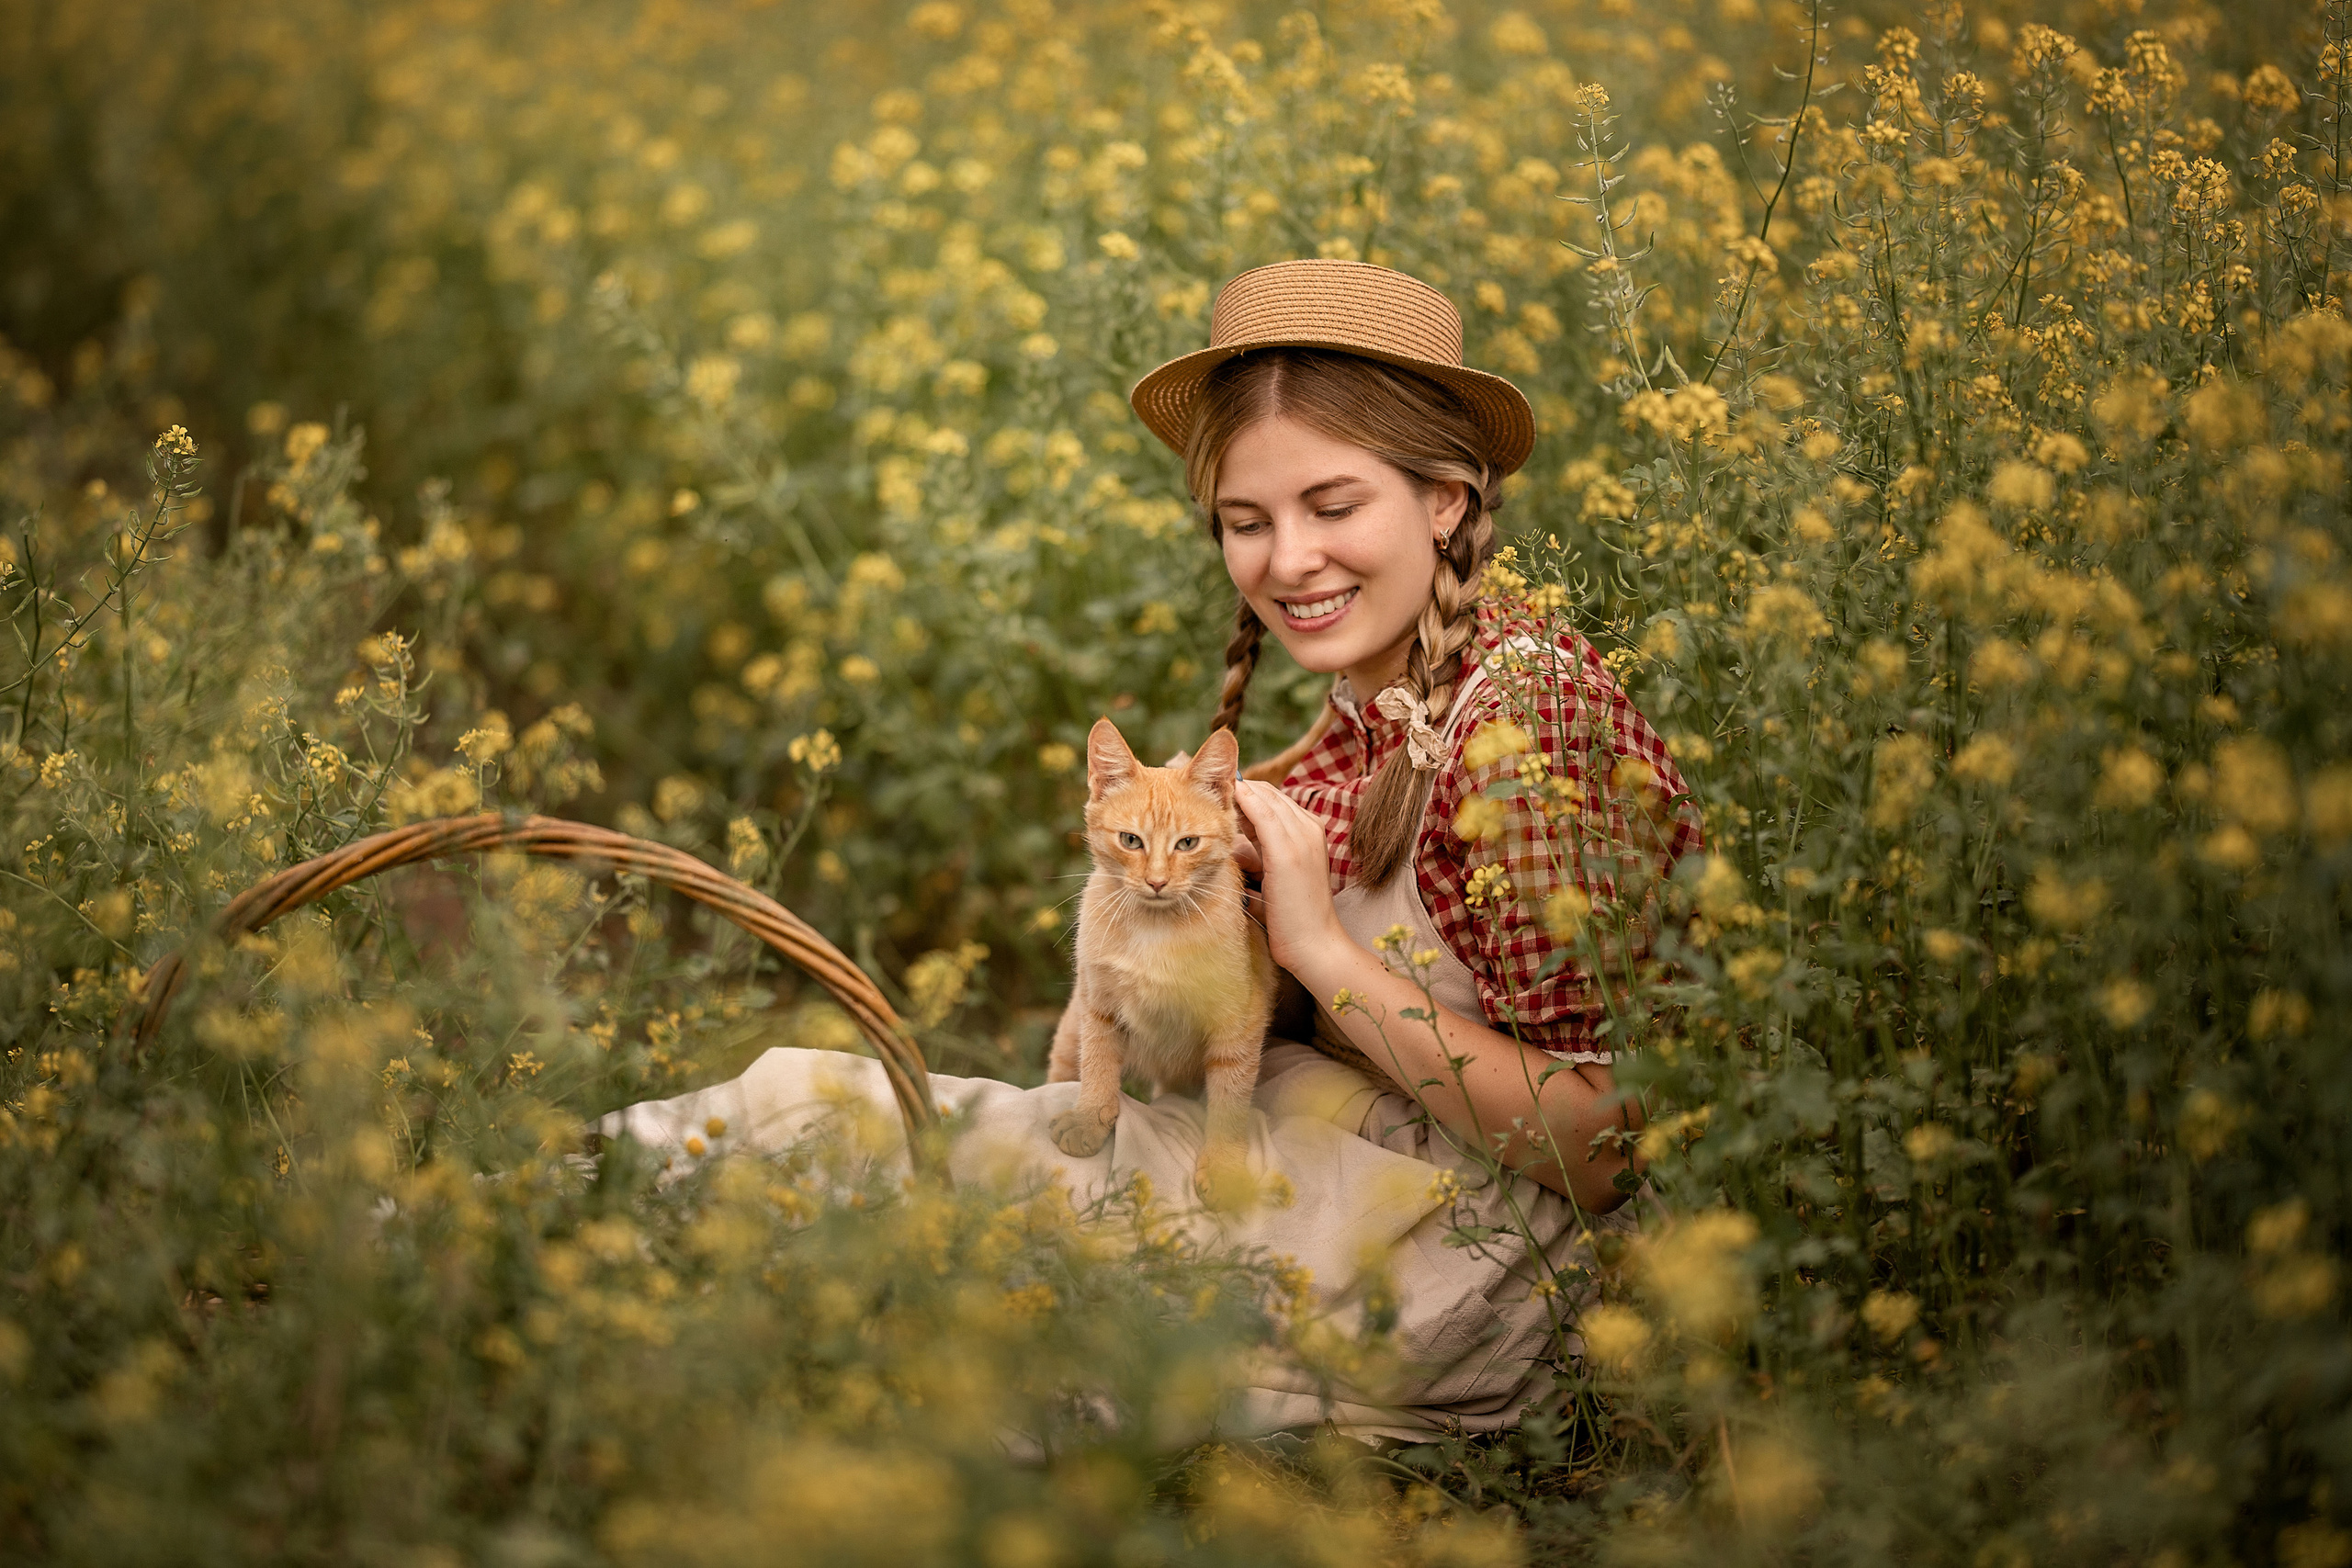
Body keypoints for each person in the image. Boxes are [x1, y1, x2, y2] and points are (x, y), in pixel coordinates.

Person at [602, 258, 1704, 1440]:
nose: (1287, 562)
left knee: (859, 1152)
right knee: (833, 1149)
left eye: (1333, 507)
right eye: (1246, 522)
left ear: (1445, 500)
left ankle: (510, 1244)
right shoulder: (1370, 703)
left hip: (1465, 1265)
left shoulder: (1527, 730)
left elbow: (1602, 1152)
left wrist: (1317, 950)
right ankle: (520, 1245)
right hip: (1332, 1169)